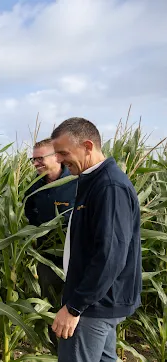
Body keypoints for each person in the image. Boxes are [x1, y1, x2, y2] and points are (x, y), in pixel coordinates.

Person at [50, 117, 142, 362]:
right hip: (97, 300)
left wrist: (74, 307)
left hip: (93, 304)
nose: (58, 159)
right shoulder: (91, 181)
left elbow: (110, 256)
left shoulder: (109, 186)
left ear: (88, 146)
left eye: (62, 152)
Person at [24, 138, 77, 349]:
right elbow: (29, 215)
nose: (36, 163)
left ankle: (74, 351)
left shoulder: (76, 183)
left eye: (40, 158)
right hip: (46, 259)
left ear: (57, 156)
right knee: (50, 306)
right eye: (33, 159)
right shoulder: (33, 188)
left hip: (75, 259)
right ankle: (54, 351)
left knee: (74, 310)